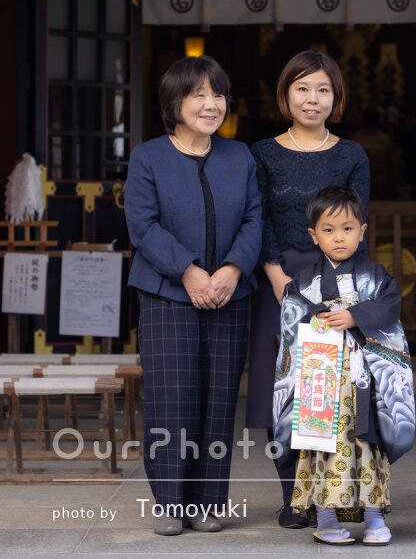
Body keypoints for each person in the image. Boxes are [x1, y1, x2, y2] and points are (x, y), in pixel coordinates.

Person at [124, 55, 262, 536]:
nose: (211, 104)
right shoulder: (148, 157)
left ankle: (208, 502)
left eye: (218, 94)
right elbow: (142, 226)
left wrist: (230, 270)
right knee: (171, 400)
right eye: (199, 94)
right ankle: (168, 502)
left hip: (230, 295)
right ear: (174, 102)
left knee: (220, 401)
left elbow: (253, 221)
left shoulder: (239, 156)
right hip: (167, 296)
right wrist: (188, 272)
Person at [245, 51, 370, 528]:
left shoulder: (351, 154)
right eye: (302, 88)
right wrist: (276, 274)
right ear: (286, 95)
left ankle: (329, 491)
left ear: (335, 97)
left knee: (328, 388)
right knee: (283, 388)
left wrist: (345, 287)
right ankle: (291, 495)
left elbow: (358, 223)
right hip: (277, 282)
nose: (312, 99)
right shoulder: (262, 153)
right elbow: (257, 216)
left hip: (334, 281)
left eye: (322, 89)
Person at [272, 186, 415, 547]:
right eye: (329, 229)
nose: (339, 238)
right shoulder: (302, 283)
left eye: (348, 228)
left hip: (362, 380)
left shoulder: (376, 277)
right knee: (321, 448)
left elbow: (389, 308)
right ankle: (325, 517)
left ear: (363, 231)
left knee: (368, 448)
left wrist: (356, 315)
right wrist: (318, 316)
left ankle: (373, 517)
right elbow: (292, 318)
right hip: (321, 381)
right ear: (313, 235)